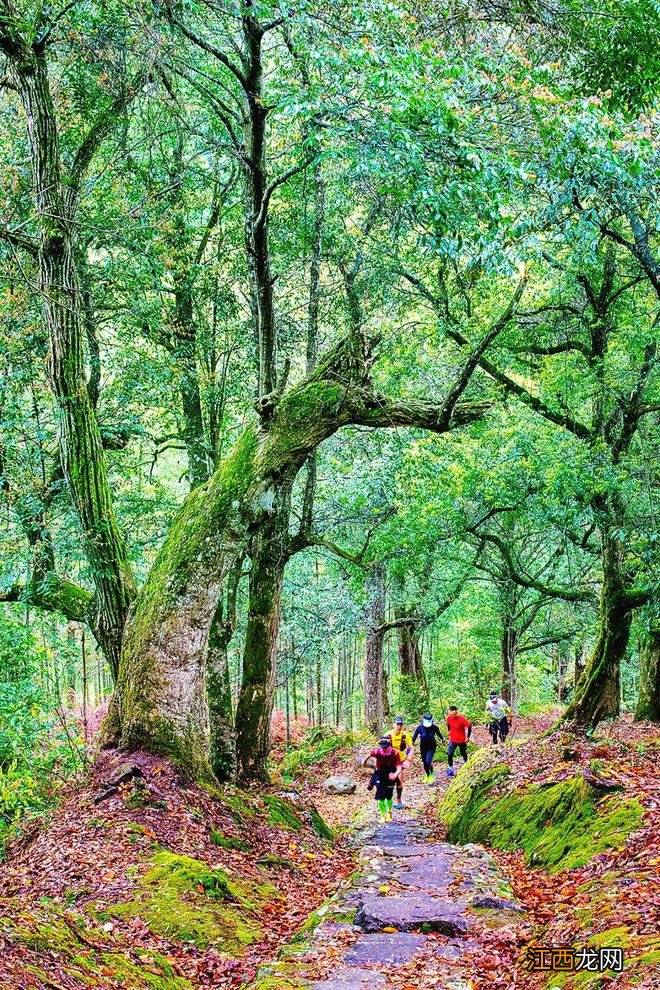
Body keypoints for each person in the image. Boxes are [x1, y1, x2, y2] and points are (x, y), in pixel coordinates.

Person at [363, 735, 402, 823]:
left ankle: (389, 812)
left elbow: (399, 766)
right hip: (380, 773)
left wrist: (395, 774)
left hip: (391, 773)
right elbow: (368, 755)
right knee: (380, 795)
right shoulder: (377, 752)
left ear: (389, 745)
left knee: (389, 795)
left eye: (386, 747)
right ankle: (382, 814)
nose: (384, 749)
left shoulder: (395, 753)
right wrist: (364, 764)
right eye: (383, 747)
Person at [412, 714, 445, 783]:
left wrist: (443, 739)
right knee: (424, 763)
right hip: (423, 747)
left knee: (428, 761)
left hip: (432, 747)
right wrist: (411, 744)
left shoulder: (435, 728)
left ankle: (432, 774)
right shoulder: (419, 728)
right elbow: (414, 737)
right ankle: (427, 775)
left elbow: (439, 734)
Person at [390, 715, 413, 808]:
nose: (399, 726)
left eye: (401, 724)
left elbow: (411, 748)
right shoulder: (388, 735)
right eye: (397, 724)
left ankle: (399, 800)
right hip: (390, 761)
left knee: (399, 782)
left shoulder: (405, 735)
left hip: (401, 760)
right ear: (393, 724)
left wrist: (408, 759)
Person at [446, 705, 472, 777]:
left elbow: (469, 726)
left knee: (463, 753)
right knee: (450, 754)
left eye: (454, 714)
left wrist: (468, 737)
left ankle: (466, 764)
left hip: (462, 740)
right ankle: (450, 769)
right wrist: (449, 731)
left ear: (457, 712)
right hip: (453, 739)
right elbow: (448, 724)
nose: (453, 716)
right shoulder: (449, 718)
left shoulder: (462, 719)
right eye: (451, 714)